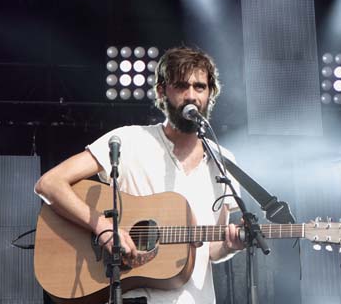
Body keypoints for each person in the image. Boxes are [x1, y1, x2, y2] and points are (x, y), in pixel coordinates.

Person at [34, 46, 244, 304]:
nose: (191, 96)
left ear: (211, 93)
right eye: (181, 86)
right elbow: (50, 183)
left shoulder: (223, 163)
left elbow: (211, 248)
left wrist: (232, 245)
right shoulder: (130, 140)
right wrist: (102, 226)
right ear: (161, 91)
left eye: (199, 87)